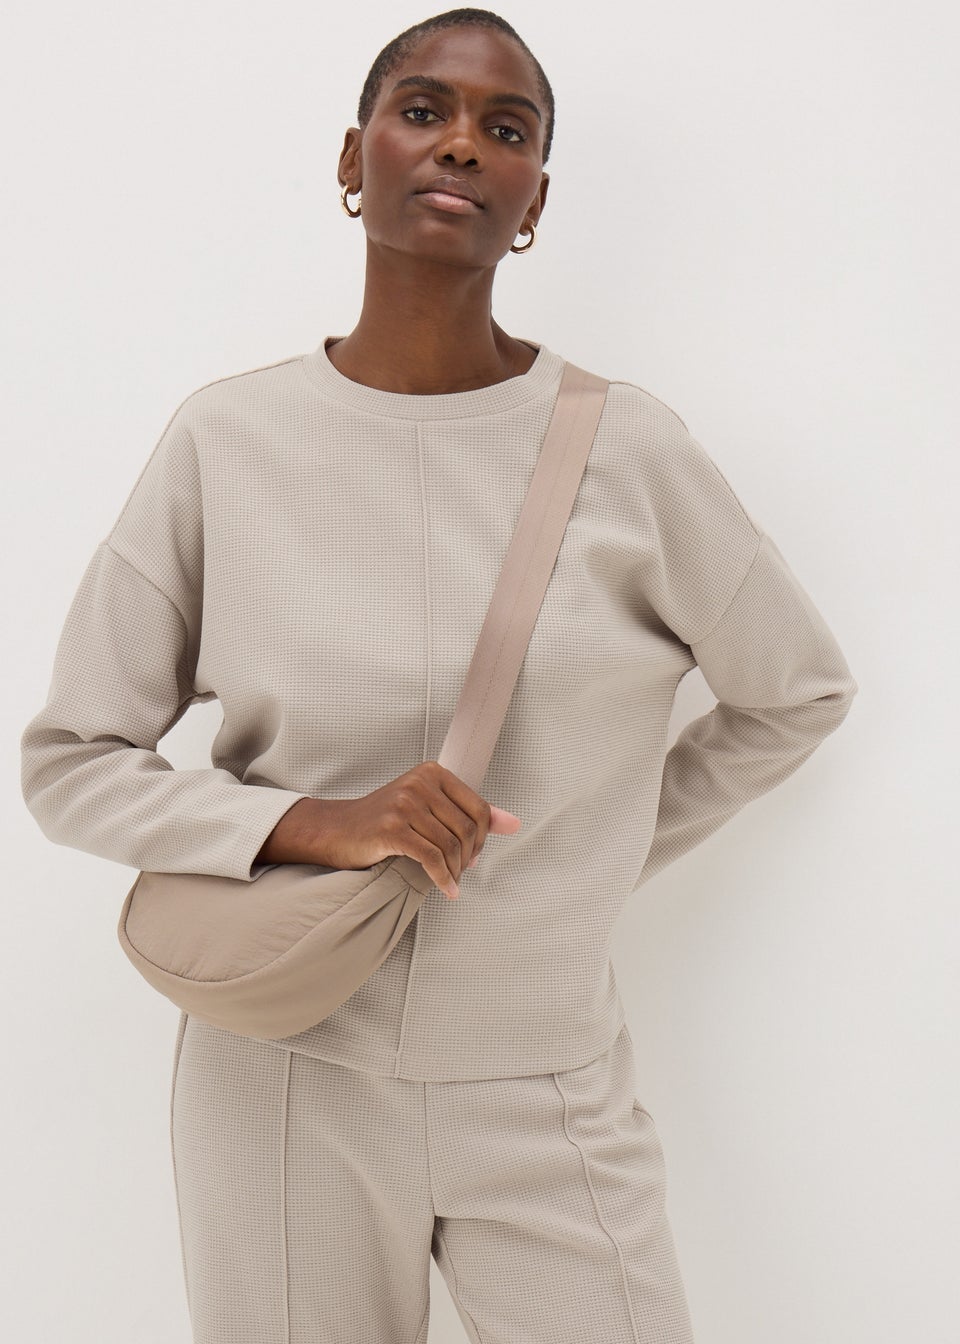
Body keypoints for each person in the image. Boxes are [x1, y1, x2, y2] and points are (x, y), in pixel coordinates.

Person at [20, 9, 857, 1343]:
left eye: (505, 129)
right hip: (283, 1071)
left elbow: (796, 691)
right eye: (423, 110)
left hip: (545, 1083)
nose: (462, 142)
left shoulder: (631, 452)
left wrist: (585, 854)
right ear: (353, 158)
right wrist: (314, 825)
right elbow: (71, 762)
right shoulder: (228, 442)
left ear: (534, 202)